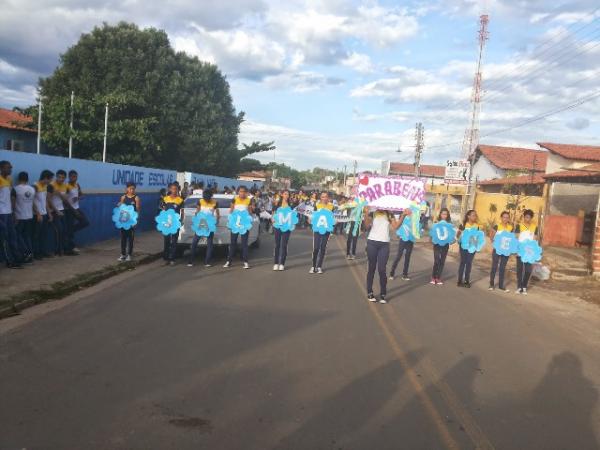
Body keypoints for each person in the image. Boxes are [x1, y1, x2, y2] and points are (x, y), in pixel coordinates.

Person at [364, 209, 403, 304]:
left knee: (382, 269)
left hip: (384, 244)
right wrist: (366, 212)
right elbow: (366, 225)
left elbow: (396, 227)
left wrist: (403, 216)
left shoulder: (390, 214)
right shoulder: (373, 212)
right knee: (372, 268)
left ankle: (383, 293)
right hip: (372, 242)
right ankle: (370, 292)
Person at [224, 185, 254, 269]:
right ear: (238, 192)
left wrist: (250, 211)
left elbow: (250, 212)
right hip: (235, 225)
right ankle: (229, 261)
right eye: (241, 191)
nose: (242, 193)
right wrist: (229, 222)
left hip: (244, 225)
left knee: (244, 244)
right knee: (233, 243)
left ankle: (245, 262)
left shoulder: (249, 200)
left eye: (244, 191)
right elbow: (231, 211)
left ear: (246, 192)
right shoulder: (234, 200)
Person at [188, 188, 219, 267]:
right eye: (205, 198)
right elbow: (197, 212)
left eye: (208, 198)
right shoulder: (200, 201)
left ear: (211, 196)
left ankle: (207, 262)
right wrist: (196, 221)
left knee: (209, 243)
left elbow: (218, 214)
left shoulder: (215, 202)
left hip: (210, 225)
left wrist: (216, 222)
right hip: (201, 224)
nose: (207, 200)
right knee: (194, 242)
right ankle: (190, 261)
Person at [0, 160, 23, 268]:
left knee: (12, 237)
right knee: (5, 238)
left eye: (10, 167)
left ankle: (16, 258)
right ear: (2, 168)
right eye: (8, 167)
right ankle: (9, 261)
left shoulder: (9, 180)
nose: (10, 169)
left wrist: (14, 213)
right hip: (1, 214)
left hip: (9, 213)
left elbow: (11, 197)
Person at [12, 171, 35, 264]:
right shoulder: (32, 189)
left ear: (18, 179)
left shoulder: (15, 189)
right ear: (27, 179)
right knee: (27, 236)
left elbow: (13, 204)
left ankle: (26, 253)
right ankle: (30, 253)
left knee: (18, 235)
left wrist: (13, 214)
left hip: (19, 216)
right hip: (29, 216)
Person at [64, 170, 89, 254]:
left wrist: (78, 198)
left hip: (76, 208)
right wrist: (73, 210)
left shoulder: (77, 185)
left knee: (85, 222)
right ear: (69, 177)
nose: (74, 178)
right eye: (72, 176)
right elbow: (65, 201)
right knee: (69, 227)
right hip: (69, 209)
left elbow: (81, 195)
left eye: (75, 176)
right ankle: (70, 247)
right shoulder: (66, 186)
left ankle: (70, 231)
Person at [309, 191, 334, 274]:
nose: (324, 198)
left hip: (326, 230)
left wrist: (335, 221)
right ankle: (313, 266)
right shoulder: (317, 205)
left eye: (326, 196)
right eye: (322, 197)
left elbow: (334, 217)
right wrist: (310, 219)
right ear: (320, 198)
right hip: (317, 229)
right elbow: (312, 215)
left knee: (323, 247)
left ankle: (319, 266)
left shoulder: (331, 206)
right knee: (316, 248)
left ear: (328, 198)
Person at [515, 209, 539, 295]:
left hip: (529, 252)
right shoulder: (519, 226)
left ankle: (524, 286)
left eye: (529, 217)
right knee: (520, 270)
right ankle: (519, 287)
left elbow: (535, 239)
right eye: (525, 217)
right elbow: (517, 237)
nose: (527, 219)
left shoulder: (535, 227)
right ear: (524, 217)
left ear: (531, 218)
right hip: (520, 251)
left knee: (528, 270)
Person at [489, 211, 513, 292]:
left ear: (509, 219)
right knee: (494, 267)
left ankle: (501, 285)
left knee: (502, 268)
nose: (505, 219)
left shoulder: (510, 227)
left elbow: (512, 238)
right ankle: (491, 284)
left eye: (507, 217)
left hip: (506, 251)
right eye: (504, 217)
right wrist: (494, 242)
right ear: (501, 218)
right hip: (497, 250)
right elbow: (491, 234)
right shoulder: (497, 226)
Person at [160, 182, 184, 265]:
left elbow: (182, 211)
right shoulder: (165, 199)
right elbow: (162, 210)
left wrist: (181, 220)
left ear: (178, 190)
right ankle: (166, 257)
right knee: (166, 239)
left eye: (176, 189)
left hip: (175, 223)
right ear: (170, 189)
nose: (174, 190)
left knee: (174, 240)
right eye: (173, 189)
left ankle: (172, 258)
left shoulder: (180, 200)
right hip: (166, 223)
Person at [456, 209, 481, 288]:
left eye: (475, 215)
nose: (475, 217)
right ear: (468, 216)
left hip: (472, 247)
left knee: (469, 263)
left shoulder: (477, 226)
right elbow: (457, 235)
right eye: (473, 215)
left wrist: (477, 245)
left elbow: (478, 237)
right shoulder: (463, 225)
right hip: (463, 246)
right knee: (463, 262)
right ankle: (459, 280)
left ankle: (467, 280)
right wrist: (460, 239)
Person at [49, 169, 72, 256]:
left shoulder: (65, 186)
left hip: (62, 210)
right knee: (59, 230)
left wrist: (60, 194)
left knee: (64, 230)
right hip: (55, 211)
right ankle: (58, 250)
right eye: (59, 177)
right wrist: (56, 211)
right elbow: (49, 200)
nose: (61, 179)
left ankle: (62, 249)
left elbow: (65, 198)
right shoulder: (51, 185)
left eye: (63, 177)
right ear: (56, 176)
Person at [117, 182, 141, 262]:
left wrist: (136, 221)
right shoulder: (123, 197)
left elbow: (137, 210)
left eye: (133, 189)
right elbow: (121, 209)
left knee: (130, 239)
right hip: (124, 221)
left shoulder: (136, 198)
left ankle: (129, 255)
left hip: (131, 221)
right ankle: (123, 254)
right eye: (130, 188)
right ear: (127, 189)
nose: (131, 190)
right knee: (123, 238)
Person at [33, 170, 54, 259]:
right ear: (45, 178)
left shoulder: (45, 187)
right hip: (37, 215)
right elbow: (32, 201)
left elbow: (45, 201)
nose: (50, 182)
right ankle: (36, 253)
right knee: (36, 235)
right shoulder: (35, 186)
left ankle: (43, 251)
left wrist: (49, 213)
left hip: (44, 214)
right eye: (50, 180)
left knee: (44, 234)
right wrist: (38, 214)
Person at [389, 208, 415, 281]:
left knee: (407, 258)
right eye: (407, 210)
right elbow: (399, 227)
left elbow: (416, 229)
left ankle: (405, 274)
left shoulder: (414, 219)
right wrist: (399, 234)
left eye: (410, 210)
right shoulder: (403, 218)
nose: (409, 211)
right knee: (398, 256)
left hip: (410, 240)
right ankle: (392, 273)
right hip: (403, 240)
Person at [272, 190, 292, 271]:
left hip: (287, 228)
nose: (286, 195)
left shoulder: (291, 205)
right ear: (282, 195)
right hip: (278, 227)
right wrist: (272, 219)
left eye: (288, 194)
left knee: (284, 245)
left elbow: (293, 216)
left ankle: (282, 263)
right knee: (277, 245)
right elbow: (273, 213)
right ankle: (276, 263)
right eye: (285, 194)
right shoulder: (277, 204)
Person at [430, 208, 452, 285]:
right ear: (440, 214)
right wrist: (431, 239)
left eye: (446, 214)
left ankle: (438, 278)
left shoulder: (449, 225)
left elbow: (451, 235)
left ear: (447, 215)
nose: (444, 215)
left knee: (442, 261)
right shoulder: (436, 223)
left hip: (445, 245)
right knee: (437, 260)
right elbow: (432, 233)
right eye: (443, 214)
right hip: (437, 245)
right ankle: (433, 277)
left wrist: (452, 239)